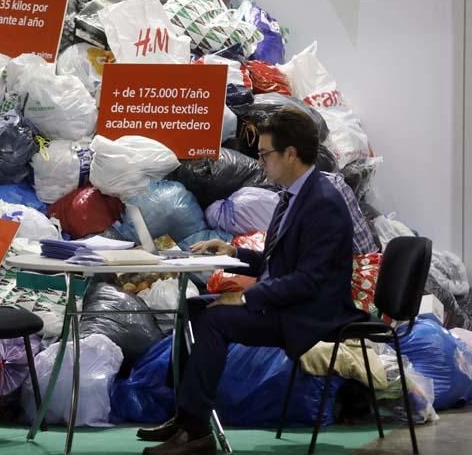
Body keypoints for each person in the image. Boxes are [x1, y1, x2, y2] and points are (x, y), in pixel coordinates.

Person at [137, 107, 366, 455]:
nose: (260, 163)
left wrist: (246, 299)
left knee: (215, 320)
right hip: (288, 300)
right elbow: (279, 265)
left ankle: (198, 435)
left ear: (291, 154)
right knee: (196, 309)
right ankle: (186, 417)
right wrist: (234, 252)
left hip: (310, 311)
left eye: (264, 154)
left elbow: (309, 281)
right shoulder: (293, 195)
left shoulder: (322, 202)